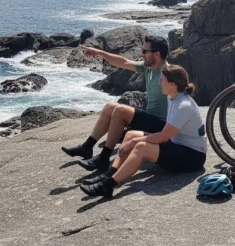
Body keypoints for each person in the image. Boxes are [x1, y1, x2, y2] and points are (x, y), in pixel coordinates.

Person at [80, 64, 207, 198]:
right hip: (177, 144)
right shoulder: (172, 97)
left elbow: (163, 137)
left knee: (141, 147)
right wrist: (133, 139)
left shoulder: (183, 106)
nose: (159, 83)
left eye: (162, 80)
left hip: (192, 157)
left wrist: (135, 141)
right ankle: (110, 174)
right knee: (130, 135)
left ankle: (108, 186)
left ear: (172, 84)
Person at [61, 35, 170, 172]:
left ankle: (103, 158)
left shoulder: (168, 74)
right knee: (109, 107)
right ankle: (87, 147)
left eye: (144, 51)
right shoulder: (148, 68)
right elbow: (123, 62)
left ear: (157, 54)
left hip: (161, 125)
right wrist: (99, 53)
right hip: (150, 119)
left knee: (120, 111)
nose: (141, 54)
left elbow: (182, 101)